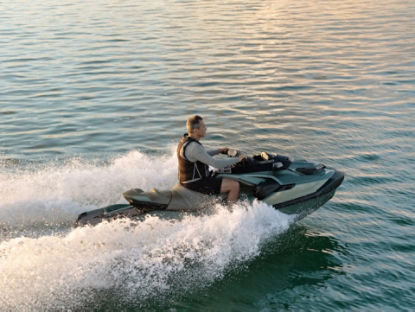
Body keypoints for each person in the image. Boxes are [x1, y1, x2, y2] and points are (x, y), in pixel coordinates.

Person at [177, 115, 243, 202]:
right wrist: (238, 159)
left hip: (188, 181)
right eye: (203, 127)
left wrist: (218, 151)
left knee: (222, 174)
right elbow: (216, 164)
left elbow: (202, 155)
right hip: (196, 184)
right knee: (234, 185)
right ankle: (231, 212)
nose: (206, 128)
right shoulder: (194, 147)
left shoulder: (186, 141)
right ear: (196, 130)